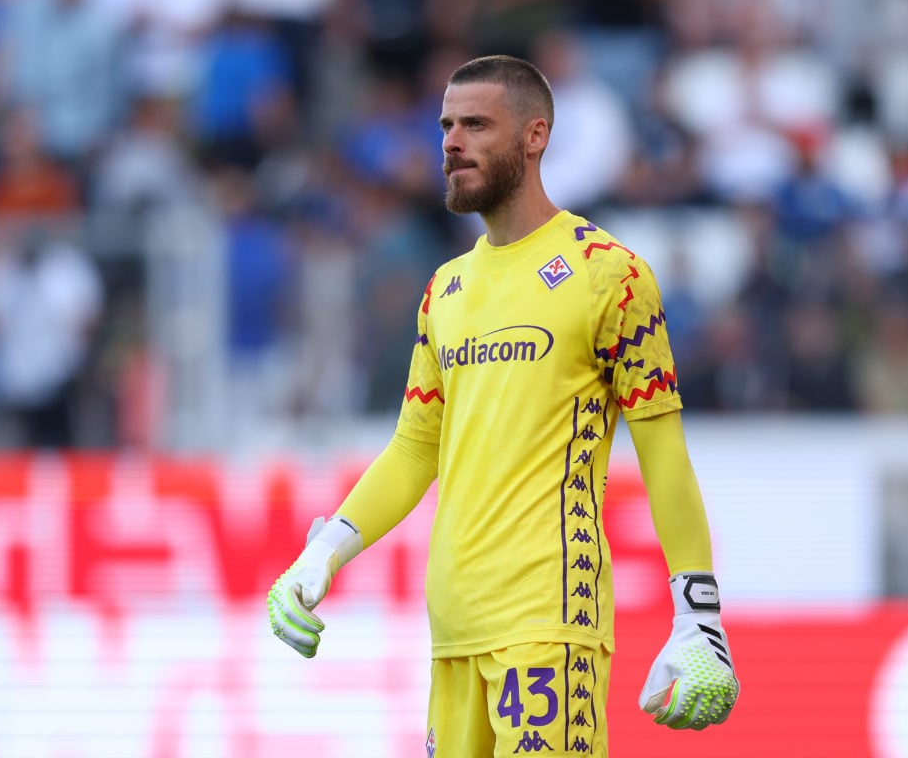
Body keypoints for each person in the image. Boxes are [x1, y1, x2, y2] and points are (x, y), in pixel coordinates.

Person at [268, 55, 739, 755]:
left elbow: (663, 450)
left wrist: (697, 611)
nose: (451, 142)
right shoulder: (446, 290)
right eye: (446, 126)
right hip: (454, 630)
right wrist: (325, 549)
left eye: (476, 125)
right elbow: (414, 448)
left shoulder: (607, 274)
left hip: (549, 621)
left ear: (534, 136)